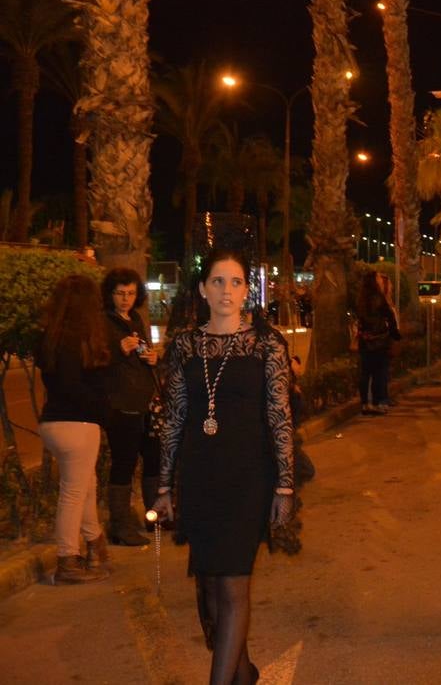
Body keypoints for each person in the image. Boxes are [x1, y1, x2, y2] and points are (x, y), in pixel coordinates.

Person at [152, 248, 295, 685]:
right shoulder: (184, 346)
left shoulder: (266, 345)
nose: (226, 291)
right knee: (212, 592)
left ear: (246, 290)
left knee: (233, 588)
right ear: (202, 289)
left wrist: (285, 486)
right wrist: (164, 485)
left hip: (249, 478)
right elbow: (174, 417)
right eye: (217, 281)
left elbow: (280, 415)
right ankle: (244, 673)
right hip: (200, 479)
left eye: (235, 282)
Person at [37, 274, 113, 584]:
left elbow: (57, 381)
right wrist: (102, 407)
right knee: (73, 492)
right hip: (78, 424)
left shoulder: (49, 336)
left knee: (85, 485)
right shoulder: (78, 338)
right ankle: (67, 558)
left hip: (51, 422)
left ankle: (95, 542)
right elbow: (74, 385)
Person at [100, 268, 162, 547]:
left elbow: (144, 352)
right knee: (124, 462)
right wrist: (117, 350)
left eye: (131, 293)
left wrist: (151, 356)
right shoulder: (104, 322)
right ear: (110, 294)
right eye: (120, 293)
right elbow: (95, 360)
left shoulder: (135, 319)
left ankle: (155, 516)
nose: (125, 299)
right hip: (121, 403)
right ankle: (121, 525)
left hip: (145, 401)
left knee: (154, 456)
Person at [355, 270, 401, 415]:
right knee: (379, 373)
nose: (381, 280)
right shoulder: (379, 298)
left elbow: (360, 320)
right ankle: (379, 402)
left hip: (365, 341)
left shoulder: (361, 300)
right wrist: (395, 334)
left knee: (365, 373)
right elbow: (390, 317)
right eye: (378, 278)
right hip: (380, 340)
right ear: (374, 282)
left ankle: (365, 404)